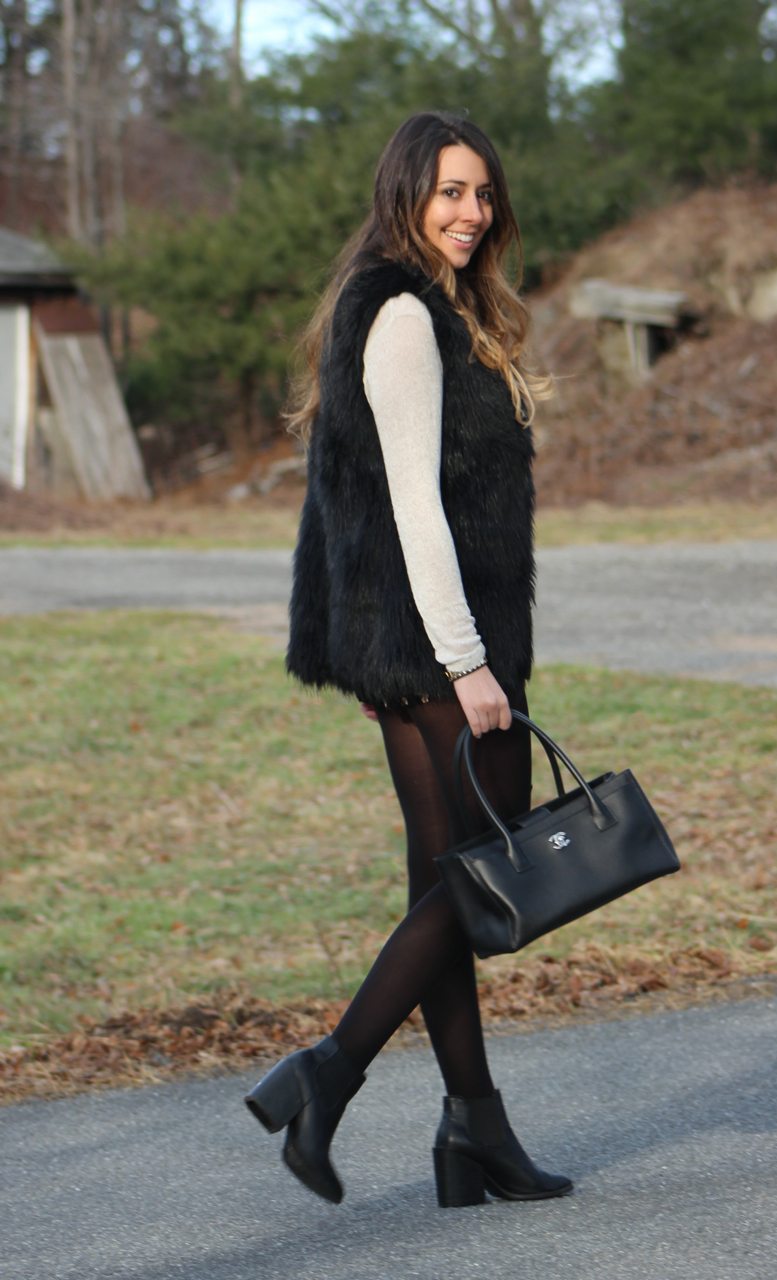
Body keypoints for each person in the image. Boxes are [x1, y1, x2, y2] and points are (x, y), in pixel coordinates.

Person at [244, 111, 572, 1210]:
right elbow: (415, 511)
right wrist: (472, 665)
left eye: (482, 193)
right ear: (405, 194)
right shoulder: (398, 312)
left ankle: (471, 1127)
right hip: (440, 645)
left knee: (446, 882)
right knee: (479, 876)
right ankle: (327, 1072)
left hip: (407, 639)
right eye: (449, 191)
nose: (471, 211)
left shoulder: (423, 305)